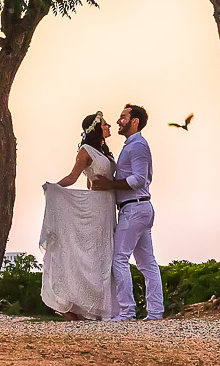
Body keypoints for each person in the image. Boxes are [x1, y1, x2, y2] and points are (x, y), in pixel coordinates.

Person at [38, 112, 117, 321]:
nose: (109, 126)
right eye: (105, 124)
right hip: (97, 207)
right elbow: (74, 177)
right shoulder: (86, 150)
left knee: (101, 254)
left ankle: (93, 308)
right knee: (88, 254)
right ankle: (72, 304)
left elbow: (93, 181)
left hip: (107, 207)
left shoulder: (104, 152)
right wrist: (54, 189)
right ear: (95, 129)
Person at [90, 103, 163, 321]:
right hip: (139, 208)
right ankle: (155, 313)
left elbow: (140, 179)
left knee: (119, 258)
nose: (119, 121)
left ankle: (127, 312)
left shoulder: (137, 145)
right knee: (147, 264)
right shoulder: (132, 145)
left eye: (123, 117)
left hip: (134, 208)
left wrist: (109, 185)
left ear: (134, 122)